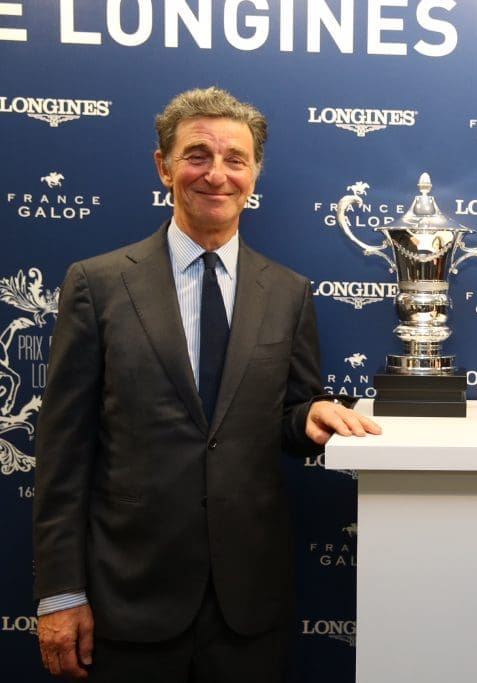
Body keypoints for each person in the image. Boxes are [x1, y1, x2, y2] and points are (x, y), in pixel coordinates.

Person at [32, 86, 380, 682]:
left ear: (255, 171)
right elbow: (63, 451)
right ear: (163, 166)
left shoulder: (289, 292)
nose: (216, 174)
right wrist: (61, 593)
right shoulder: (98, 284)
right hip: (129, 599)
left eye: (235, 159)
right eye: (197, 155)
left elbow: (288, 412)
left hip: (247, 606)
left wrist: (309, 418)